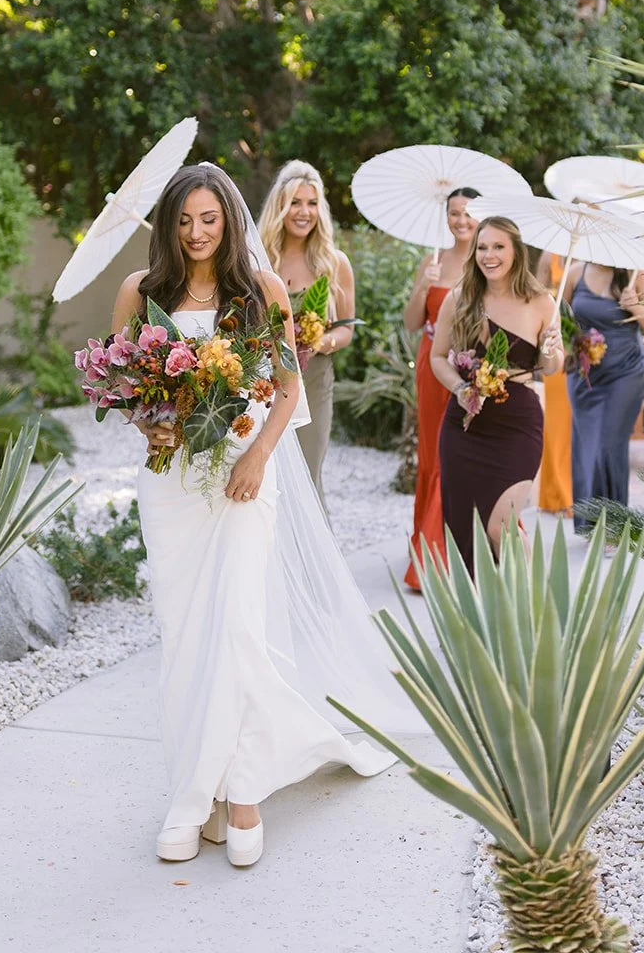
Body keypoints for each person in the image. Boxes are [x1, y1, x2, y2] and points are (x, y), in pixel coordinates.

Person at [111, 165, 401, 872]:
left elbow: (288, 385)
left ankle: (242, 793)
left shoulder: (261, 288)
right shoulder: (140, 292)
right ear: (169, 224)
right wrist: (147, 422)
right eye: (184, 220)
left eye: (208, 219)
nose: (196, 232)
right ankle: (193, 792)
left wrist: (259, 458)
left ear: (229, 221)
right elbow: (120, 379)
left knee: (239, 627)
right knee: (185, 636)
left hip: (244, 475)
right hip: (172, 484)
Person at [431, 215, 564, 572]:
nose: (489, 255)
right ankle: (475, 603)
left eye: (499, 247)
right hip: (465, 426)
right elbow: (437, 357)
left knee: (500, 526)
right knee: (464, 528)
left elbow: (551, 368)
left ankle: (532, 601)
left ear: (516, 251)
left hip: (517, 426)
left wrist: (550, 349)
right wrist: (460, 388)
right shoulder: (459, 298)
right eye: (483, 247)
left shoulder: (541, 302)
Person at [257, 160, 355, 511]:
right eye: (295, 202)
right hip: (264, 383)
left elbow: (346, 329)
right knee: (266, 472)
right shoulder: (258, 260)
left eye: (312, 203)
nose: (304, 211)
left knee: (308, 474)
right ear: (280, 207)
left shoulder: (334, 263)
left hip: (313, 381)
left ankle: (312, 547)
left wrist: (319, 341)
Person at [400, 186, 480, 590]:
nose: (461, 220)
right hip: (432, 366)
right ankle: (429, 548)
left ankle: (470, 546)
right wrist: (422, 287)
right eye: (454, 213)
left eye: (468, 213)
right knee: (434, 452)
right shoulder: (431, 261)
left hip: (473, 368)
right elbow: (411, 323)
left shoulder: (489, 261)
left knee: (467, 451)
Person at [564, 261, 644, 527]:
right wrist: (570, 341)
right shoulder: (575, 273)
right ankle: (589, 524)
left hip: (625, 372)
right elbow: (561, 320)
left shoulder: (639, 275)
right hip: (584, 374)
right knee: (587, 447)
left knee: (609, 445)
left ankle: (614, 525)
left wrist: (636, 307)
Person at [536, 251, 574, 515]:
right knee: (556, 425)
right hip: (557, 352)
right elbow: (536, 295)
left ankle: (575, 493)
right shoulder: (548, 257)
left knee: (575, 429)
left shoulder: (590, 260)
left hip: (581, 351)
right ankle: (556, 495)